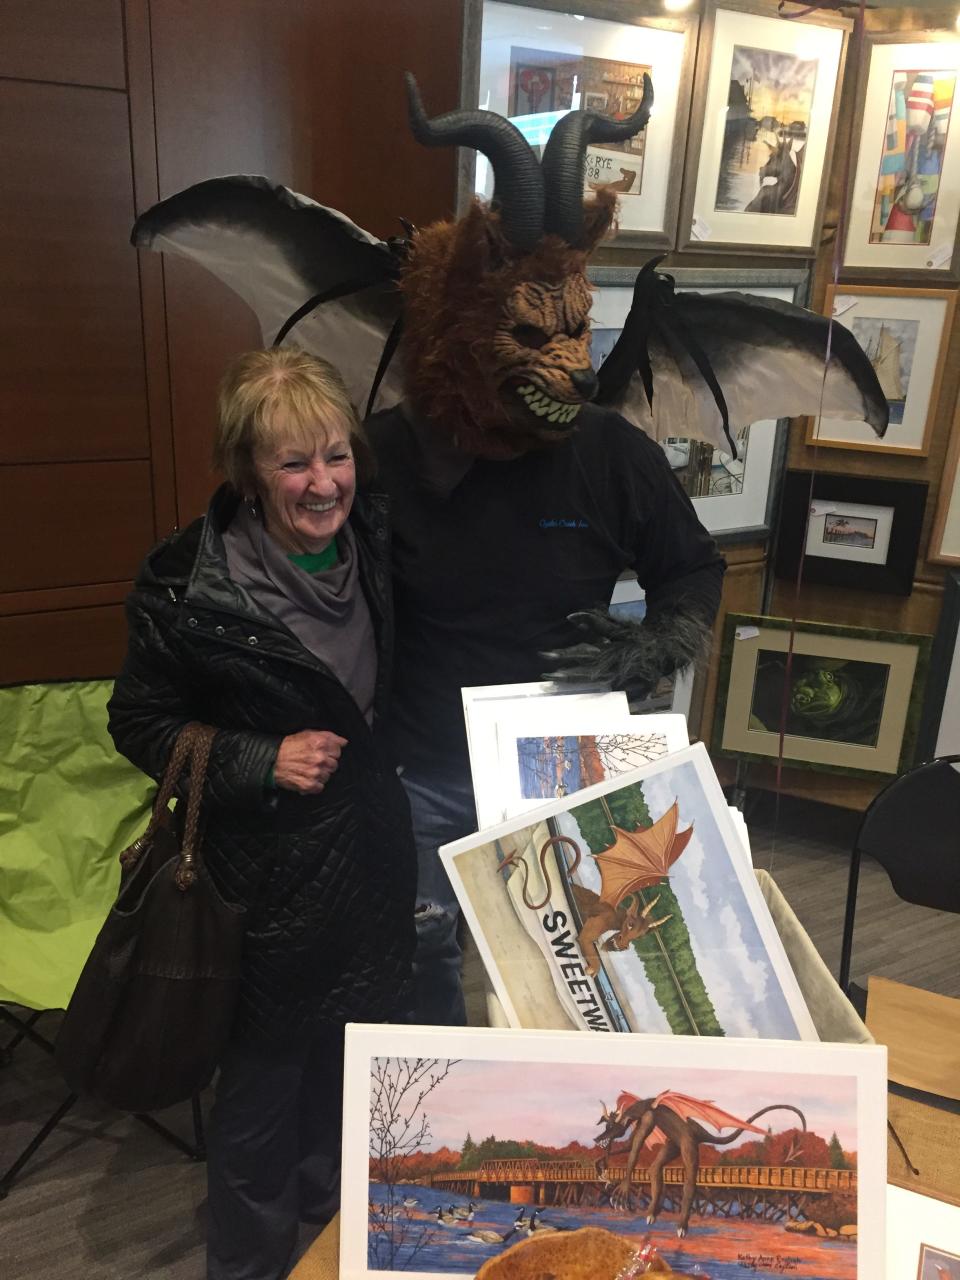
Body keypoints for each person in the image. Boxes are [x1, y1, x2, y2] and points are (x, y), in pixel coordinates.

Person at [107, 347, 416, 1280]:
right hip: (265, 897)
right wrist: (259, 759)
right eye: (294, 463)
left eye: (337, 455)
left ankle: (329, 1257)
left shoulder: (377, 544)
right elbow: (137, 720)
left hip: (368, 872)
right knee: (258, 1117)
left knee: (346, 1099)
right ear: (247, 472)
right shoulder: (185, 585)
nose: (324, 484)